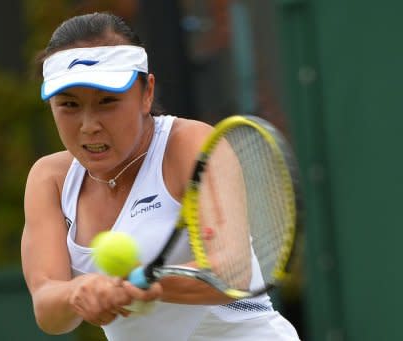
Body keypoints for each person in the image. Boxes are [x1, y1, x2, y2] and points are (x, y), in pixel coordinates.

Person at [21, 12, 300, 341]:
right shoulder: (48, 178)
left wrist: (147, 283)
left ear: (146, 94)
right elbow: (48, 309)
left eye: (107, 101)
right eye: (68, 105)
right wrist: (78, 292)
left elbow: (231, 271)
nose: (88, 125)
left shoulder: (190, 144)